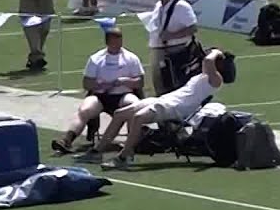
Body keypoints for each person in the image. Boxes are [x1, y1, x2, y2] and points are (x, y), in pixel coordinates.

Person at [80, 47, 233, 170]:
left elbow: (207, 60)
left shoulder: (216, 80)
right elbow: (206, 62)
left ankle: (125, 156)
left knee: (139, 117)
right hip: (165, 100)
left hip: (175, 108)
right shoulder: (203, 75)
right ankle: (97, 152)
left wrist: (216, 52)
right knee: (120, 114)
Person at [51, 27, 144, 154]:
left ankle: (131, 143)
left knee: (134, 105)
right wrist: (101, 85)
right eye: (114, 41)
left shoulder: (131, 58)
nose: (117, 44)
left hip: (123, 94)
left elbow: (140, 82)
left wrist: (124, 81)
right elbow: (87, 83)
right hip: (100, 96)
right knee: (85, 110)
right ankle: (67, 140)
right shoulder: (96, 58)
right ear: (108, 42)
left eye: (119, 41)